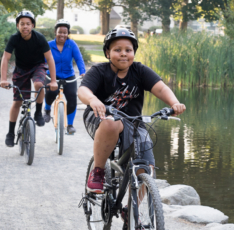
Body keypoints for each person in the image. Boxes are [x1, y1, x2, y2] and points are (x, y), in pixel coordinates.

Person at [78, 28, 186, 194]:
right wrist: (93, 100)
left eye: (128, 50)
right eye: (117, 50)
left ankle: (130, 213)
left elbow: (161, 89)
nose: (123, 54)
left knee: (147, 168)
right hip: (100, 117)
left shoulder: (140, 71)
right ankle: (98, 172)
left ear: (134, 52)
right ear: (107, 52)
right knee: (112, 123)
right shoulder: (99, 71)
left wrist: (175, 103)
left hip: (133, 122)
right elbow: (83, 90)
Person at [0, 10, 58, 147]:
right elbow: (6, 58)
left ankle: (38, 112)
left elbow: (49, 58)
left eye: (28, 24)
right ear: (17, 26)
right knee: (18, 101)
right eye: (22, 24)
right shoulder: (14, 39)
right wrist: (3, 79)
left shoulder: (39, 38)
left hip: (37, 66)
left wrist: (54, 81)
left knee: (39, 84)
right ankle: (10, 132)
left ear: (32, 25)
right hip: (21, 70)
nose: (25, 26)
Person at [43, 19, 86, 134]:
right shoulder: (49, 45)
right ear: (55, 32)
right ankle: (47, 110)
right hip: (52, 76)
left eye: (65, 32)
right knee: (51, 92)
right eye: (60, 32)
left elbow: (79, 59)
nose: (62, 34)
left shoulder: (71, 45)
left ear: (68, 33)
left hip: (69, 75)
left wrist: (83, 72)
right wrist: (41, 71)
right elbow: (41, 61)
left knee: (72, 97)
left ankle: (70, 125)